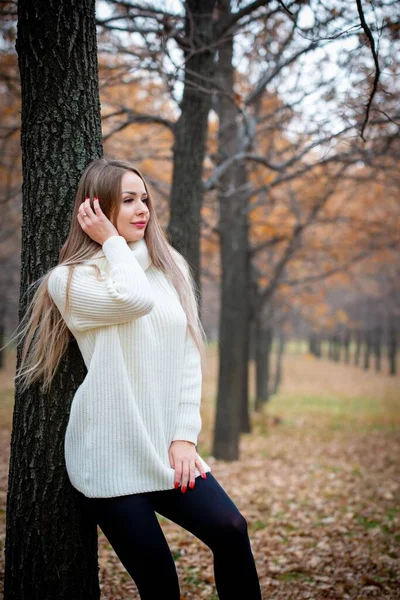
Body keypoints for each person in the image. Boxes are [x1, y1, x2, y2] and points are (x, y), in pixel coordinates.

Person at [15, 158, 263, 600]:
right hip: (111, 458)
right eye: (127, 200)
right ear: (95, 209)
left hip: (169, 450)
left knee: (231, 528)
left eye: (144, 199)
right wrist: (111, 243)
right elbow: (133, 300)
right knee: (161, 585)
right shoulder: (69, 281)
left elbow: (189, 356)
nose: (141, 209)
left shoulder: (171, 270)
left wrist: (185, 436)